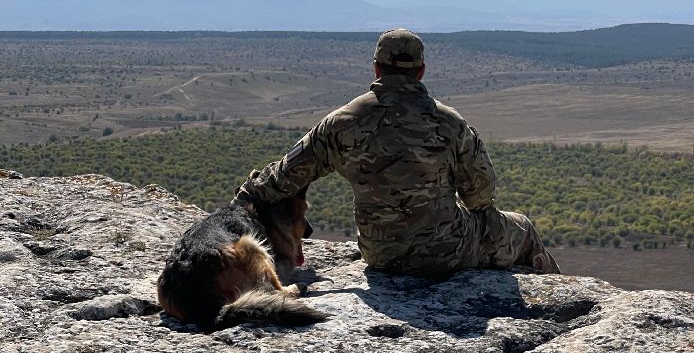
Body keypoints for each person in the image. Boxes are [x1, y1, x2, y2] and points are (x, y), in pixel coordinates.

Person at [233, 29, 559, 279]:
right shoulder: (449, 123)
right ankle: (556, 298)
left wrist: (240, 204)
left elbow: (283, 178)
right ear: (421, 71)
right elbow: (481, 196)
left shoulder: (341, 123)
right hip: (448, 253)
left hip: (380, 254)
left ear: (377, 69)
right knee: (523, 228)